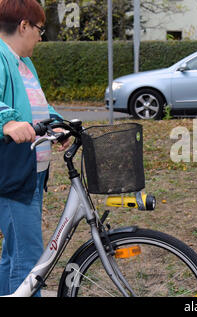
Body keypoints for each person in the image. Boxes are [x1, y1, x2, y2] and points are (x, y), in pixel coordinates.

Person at [0, 0, 70, 296]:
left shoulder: (23, 62)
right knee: (29, 262)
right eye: (39, 29)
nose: (41, 37)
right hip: (13, 173)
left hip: (32, 173)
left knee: (14, 255)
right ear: (23, 25)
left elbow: (37, 106)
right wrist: (6, 122)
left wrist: (57, 122)